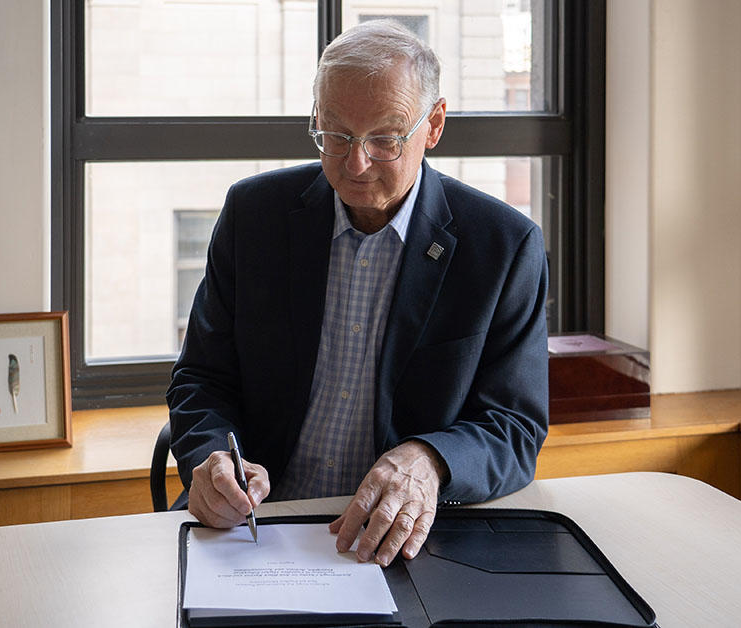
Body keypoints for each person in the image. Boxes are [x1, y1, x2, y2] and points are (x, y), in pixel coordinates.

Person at [167, 19, 548, 567]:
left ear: (434, 124)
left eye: (385, 138)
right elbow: (202, 377)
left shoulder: (502, 246)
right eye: (336, 135)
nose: (355, 163)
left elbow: (514, 427)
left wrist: (430, 459)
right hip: (255, 528)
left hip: (402, 539)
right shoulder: (255, 216)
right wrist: (213, 458)